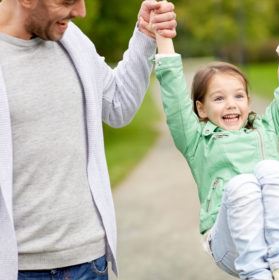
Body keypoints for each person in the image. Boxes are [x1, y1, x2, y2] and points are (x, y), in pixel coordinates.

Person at [0, 0, 176, 279]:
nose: (81, 11)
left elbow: (118, 105)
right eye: (67, 1)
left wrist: (145, 35)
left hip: (89, 262)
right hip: (17, 268)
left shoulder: (71, 39)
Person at [148, 2, 279, 279]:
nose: (231, 105)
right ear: (201, 109)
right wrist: (163, 39)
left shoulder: (267, 128)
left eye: (238, 96)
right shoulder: (196, 141)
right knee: (243, 184)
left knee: (271, 169)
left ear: (248, 100)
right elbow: (175, 96)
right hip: (231, 243)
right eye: (219, 98)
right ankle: (257, 274)